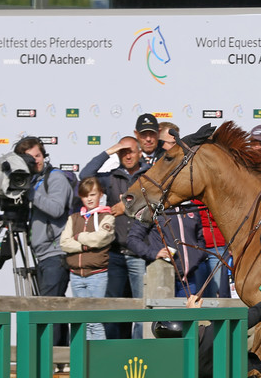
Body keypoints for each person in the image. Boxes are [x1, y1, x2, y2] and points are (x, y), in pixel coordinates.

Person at [80, 136, 149, 339]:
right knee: (113, 306)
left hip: (140, 253)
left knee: (143, 307)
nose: (127, 155)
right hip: (115, 253)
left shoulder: (149, 176)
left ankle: (140, 351)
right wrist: (111, 150)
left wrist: (127, 206)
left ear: (140, 153)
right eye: (123, 151)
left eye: (131, 151)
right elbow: (85, 175)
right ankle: (113, 352)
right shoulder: (111, 177)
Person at [15, 136, 74, 348]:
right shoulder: (29, 182)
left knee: (49, 307)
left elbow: (57, 209)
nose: (35, 161)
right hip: (42, 254)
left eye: (38, 156)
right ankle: (61, 357)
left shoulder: (55, 177)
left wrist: (31, 193)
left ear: (44, 155)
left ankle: (50, 357)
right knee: (53, 307)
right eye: (29, 158)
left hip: (56, 253)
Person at [59, 178, 115, 340]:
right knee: (79, 321)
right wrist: (84, 245)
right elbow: (64, 243)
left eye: (93, 194)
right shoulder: (74, 217)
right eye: (85, 196)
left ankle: (98, 361)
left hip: (97, 275)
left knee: (94, 321)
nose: (89, 199)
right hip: (75, 275)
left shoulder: (107, 216)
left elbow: (101, 239)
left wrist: (78, 237)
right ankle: (80, 360)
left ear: (100, 194)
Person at [127, 206, 207, 297]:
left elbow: (200, 238)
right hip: (162, 277)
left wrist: (197, 256)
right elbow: (133, 239)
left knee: (187, 310)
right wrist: (153, 253)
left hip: (189, 279)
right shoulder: (152, 208)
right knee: (163, 310)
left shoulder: (191, 207)